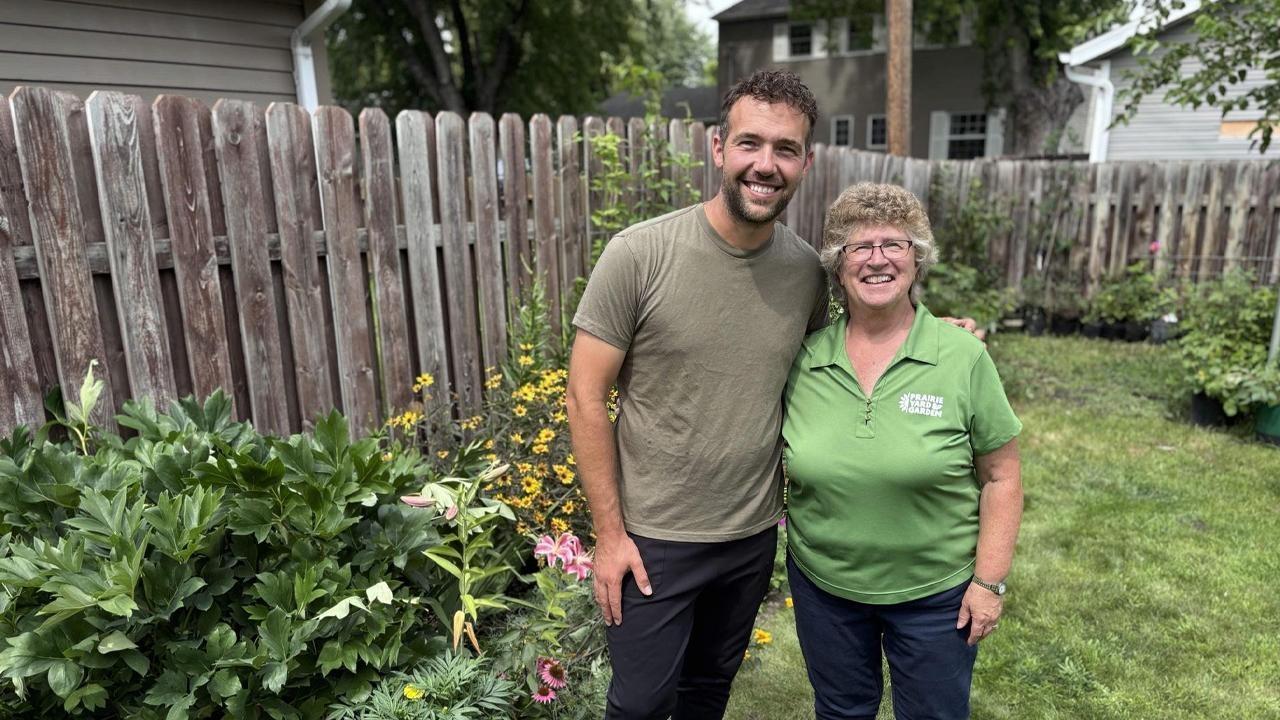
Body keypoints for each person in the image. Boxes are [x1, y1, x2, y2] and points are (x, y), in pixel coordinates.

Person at [565, 69, 826, 720]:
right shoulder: (640, 255)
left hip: (750, 537)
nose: (765, 165)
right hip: (654, 541)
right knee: (640, 707)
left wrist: (944, 336)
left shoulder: (806, 272)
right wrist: (609, 535)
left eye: (785, 149)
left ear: (806, 162)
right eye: (749, 144)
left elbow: (843, 359)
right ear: (718, 148)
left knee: (707, 696)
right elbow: (583, 396)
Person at [782, 182, 1024, 720]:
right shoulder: (803, 360)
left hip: (936, 595)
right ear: (837, 266)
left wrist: (989, 582)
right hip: (827, 589)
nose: (877, 260)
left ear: (917, 260)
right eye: (858, 248)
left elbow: (1002, 477)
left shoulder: (961, 357)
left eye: (894, 244)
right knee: (842, 711)